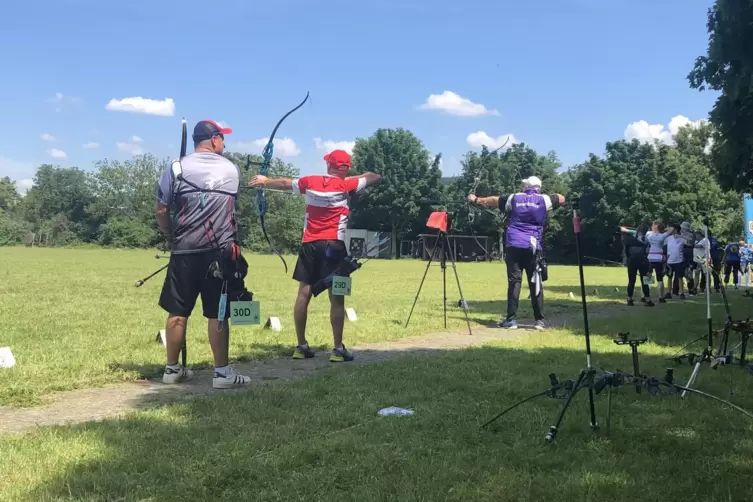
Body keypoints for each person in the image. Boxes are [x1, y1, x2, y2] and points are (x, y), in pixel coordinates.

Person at [248, 150, 382, 362]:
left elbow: (283, 183)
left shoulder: (311, 181)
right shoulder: (348, 185)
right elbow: (375, 176)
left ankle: (301, 346)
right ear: (346, 168)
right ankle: (338, 349)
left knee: (304, 293)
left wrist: (265, 181)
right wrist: (350, 179)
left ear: (329, 165)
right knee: (337, 298)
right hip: (335, 247)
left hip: (310, 244)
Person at [155, 119, 253, 389]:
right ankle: (222, 373)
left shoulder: (176, 167)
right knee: (218, 313)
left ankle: (172, 369)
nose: (225, 143)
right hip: (219, 253)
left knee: (178, 311)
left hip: (184, 250)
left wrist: (170, 234)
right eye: (223, 138)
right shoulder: (231, 169)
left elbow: (162, 210)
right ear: (213, 140)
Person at [468, 176, 565, 330]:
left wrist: (476, 199)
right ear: (539, 187)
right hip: (533, 246)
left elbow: (493, 200)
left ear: (526, 186)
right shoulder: (544, 199)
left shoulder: (514, 198)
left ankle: (511, 320)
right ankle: (539, 321)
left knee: (514, 282)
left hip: (514, 244)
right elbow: (561, 198)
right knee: (535, 282)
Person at [622, 223, 654, 306]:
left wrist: (628, 260)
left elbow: (626, 251)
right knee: (646, 281)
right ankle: (647, 300)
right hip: (643, 261)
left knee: (631, 281)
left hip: (631, 261)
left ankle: (629, 299)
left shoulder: (629, 239)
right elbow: (647, 252)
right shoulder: (646, 240)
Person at [645, 221, 673, 303]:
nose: (652, 226)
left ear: (656, 226)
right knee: (659, 279)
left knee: (648, 277)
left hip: (650, 257)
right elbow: (671, 229)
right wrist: (663, 229)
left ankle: (645, 296)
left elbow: (638, 231)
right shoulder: (662, 236)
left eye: (653, 225)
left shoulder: (649, 234)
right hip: (658, 258)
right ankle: (661, 297)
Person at [665, 223, 687, 299]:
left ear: (676, 230)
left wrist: (681, 236)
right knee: (669, 277)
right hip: (670, 261)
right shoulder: (668, 238)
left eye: (672, 229)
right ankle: (668, 292)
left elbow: (688, 243)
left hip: (679, 261)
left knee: (680, 277)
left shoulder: (682, 239)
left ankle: (681, 292)